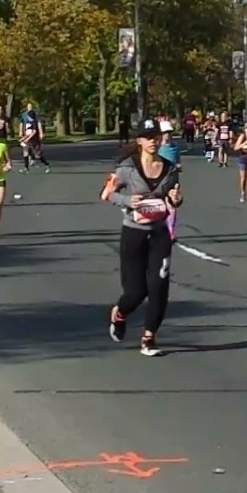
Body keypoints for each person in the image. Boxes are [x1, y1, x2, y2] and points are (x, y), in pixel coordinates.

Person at [105, 120, 182, 356]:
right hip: (133, 234)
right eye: (148, 137)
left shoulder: (170, 168)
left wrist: (175, 199)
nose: (153, 141)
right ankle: (119, 313)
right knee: (136, 292)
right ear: (139, 140)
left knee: (159, 288)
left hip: (159, 234)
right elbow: (107, 193)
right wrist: (128, 201)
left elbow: (173, 200)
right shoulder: (126, 168)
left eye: (156, 136)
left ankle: (149, 338)